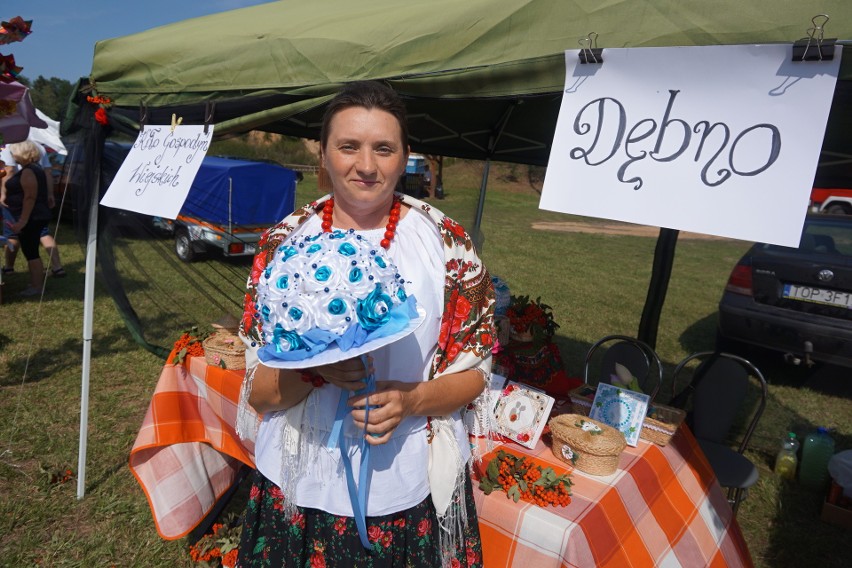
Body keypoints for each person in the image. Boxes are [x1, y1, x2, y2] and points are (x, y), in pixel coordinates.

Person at [237, 81, 496, 567]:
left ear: (405, 156)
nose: (366, 165)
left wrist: (412, 399)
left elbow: (477, 374)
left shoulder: (447, 245)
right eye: (348, 146)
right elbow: (259, 391)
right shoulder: (283, 244)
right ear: (324, 153)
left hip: (404, 483)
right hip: (300, 482)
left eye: (384, 148)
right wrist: (315, 370)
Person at [1, 142, 65, 277]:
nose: (12, 155)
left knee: (15, 237)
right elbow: (48, 172)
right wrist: (49, 193)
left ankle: (10, 268)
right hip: (35, 206)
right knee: (42, 234)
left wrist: (3, 193)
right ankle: (57, 267)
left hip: (24, 208)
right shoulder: (38, 147)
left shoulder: (14, 150)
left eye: (14, 154)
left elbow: (11, 172)